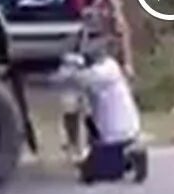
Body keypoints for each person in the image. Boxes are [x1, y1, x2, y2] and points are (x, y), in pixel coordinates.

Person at [62, 0, 134, 159]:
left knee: (106, 104)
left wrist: (127, 62)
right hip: (75, 59)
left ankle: (106, 142)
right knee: (71, 103)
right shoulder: (72, 2)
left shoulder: (109, 3)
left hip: (99, 61)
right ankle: (72, 145)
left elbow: (122, 32)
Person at [54, 46, 148, 184]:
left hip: (119, 131)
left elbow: (85, 78)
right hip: (106, 131)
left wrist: (72, 70)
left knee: (92, 173)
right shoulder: (96, 72)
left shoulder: (108, 69)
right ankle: (124, 160)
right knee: (97, 169)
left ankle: (131, 156)